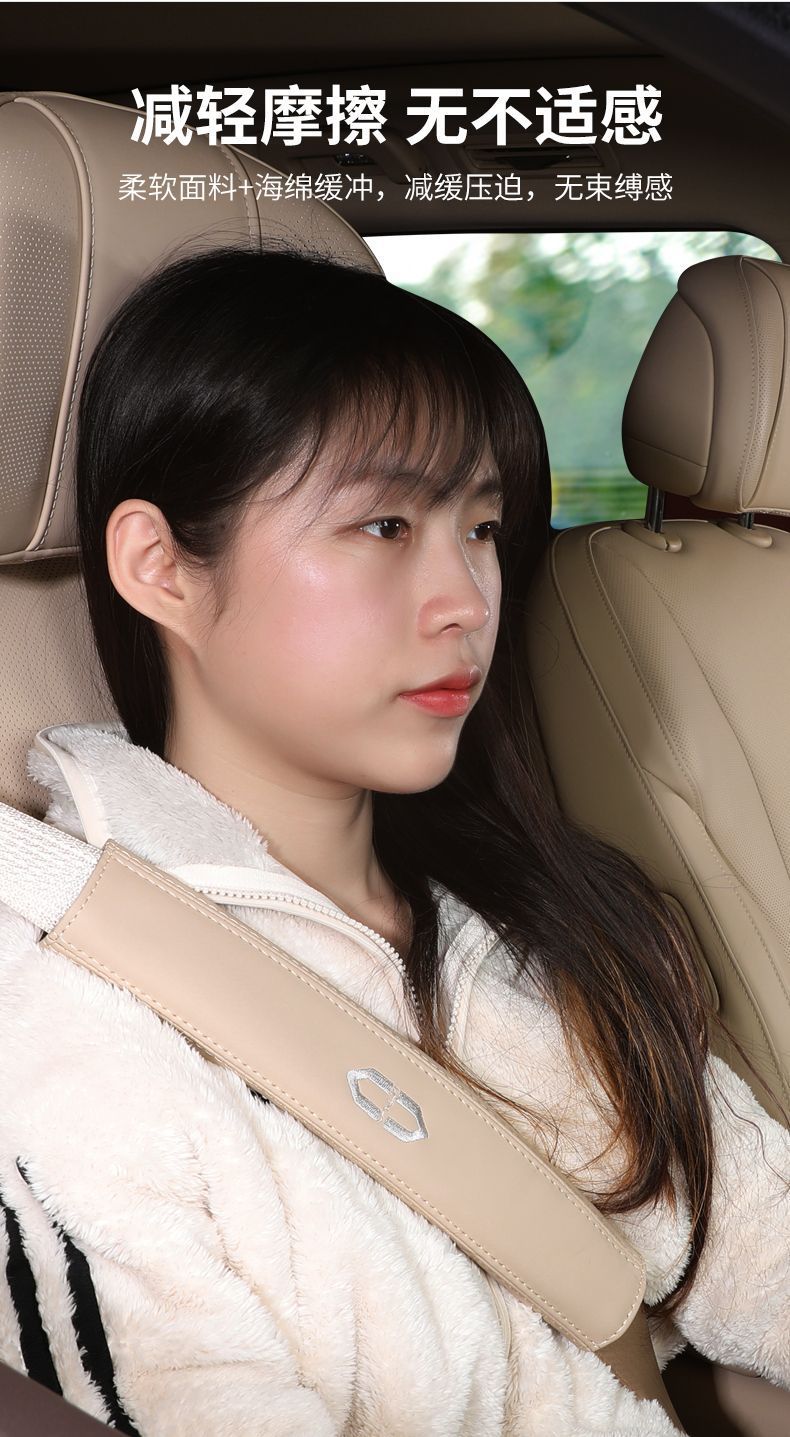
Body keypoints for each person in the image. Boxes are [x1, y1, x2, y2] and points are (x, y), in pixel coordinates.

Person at [0, 243, 787, 1437]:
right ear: (160, 569)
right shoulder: (59, 1023)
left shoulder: (537, 928)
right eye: (381, 526)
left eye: (482, 527)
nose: (467, 599)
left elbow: (763, 1254)